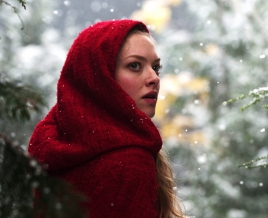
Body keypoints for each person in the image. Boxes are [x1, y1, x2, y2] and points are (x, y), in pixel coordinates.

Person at [28, 19, 184, 218]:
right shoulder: (128, 162)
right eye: (135, 65)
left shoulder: (51, 153)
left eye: (156, 67)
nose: (154, 77)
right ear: (100, 78)